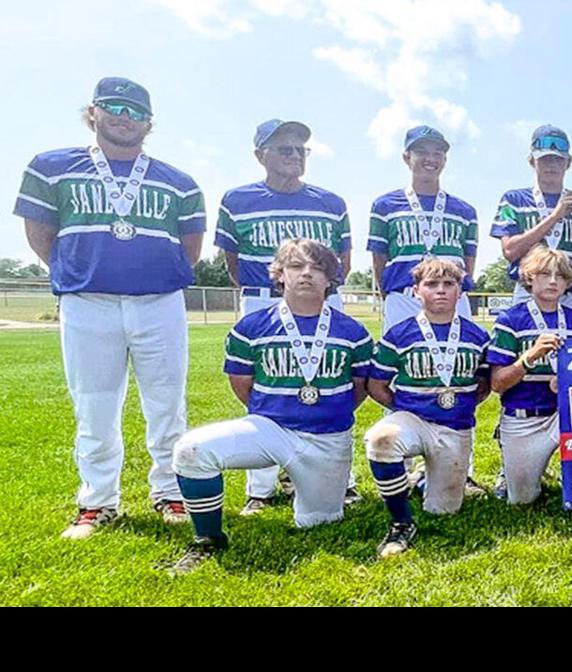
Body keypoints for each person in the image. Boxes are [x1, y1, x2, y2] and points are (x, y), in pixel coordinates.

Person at [15, 77, 206, 539]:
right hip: (88, 301)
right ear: (93, 111)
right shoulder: (51, 167)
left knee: (167, 403)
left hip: (159, 301)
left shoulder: (178, 182)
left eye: (136, 112)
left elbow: (191, 248)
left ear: (150, 123)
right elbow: (41, 233)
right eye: (114, 107)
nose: (125, 117)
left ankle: (170, 490)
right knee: (95, 406)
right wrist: (82, 271)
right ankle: (98, 501)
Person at [168, 240, 372, 573]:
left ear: (329, 279)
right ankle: (208, 537)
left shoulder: (354, 332)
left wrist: (325, 413)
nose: (306, 273)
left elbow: (359, 387)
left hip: (327, 438)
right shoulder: (250, 327)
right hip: (271, 428)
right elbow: (241, 382)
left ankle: (306, 489)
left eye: (317, 268)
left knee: (318, 522)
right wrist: (271, 412)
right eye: (296, 266)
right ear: (280, 275)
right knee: (191, 451)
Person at [215, 118, 353, 511]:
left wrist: (325, 288)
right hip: (263, 298)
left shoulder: (330, 202)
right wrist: (269, 289)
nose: (294, 156)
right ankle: (261, 488)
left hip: (324, 301)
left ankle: (338, 477)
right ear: (261, 155)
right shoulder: (237, 200)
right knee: (264, 384)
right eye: (284, 149)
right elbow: (232, 260)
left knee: (331, 380)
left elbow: (341, 258)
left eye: (300, 150)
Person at [363, 259, 491, 557]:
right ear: (416, 291)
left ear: (460, 292)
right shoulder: (399, 334)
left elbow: (484, 384)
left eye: (449, 284)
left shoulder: (478, 337)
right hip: (413, 418)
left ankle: (421, 480)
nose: (441, 291)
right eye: (432, 284)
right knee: (382, 440)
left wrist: (461, 405)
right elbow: (376, 384)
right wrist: (402, 409)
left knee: (443, 510)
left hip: (454, 427)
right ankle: (401, 522)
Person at [486, 248, 572, 504]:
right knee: (522, 500)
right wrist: (529, 358)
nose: (553, 281)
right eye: (544, 274)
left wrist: (568, 381)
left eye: (560, 276)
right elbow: (497, 384)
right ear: (529, 278)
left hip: (565, 416)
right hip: (525, 418)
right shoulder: (511, 319)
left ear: (568, 283)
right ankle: (525, 471)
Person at [369, 125, 479, 330]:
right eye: (421, 152)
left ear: (444, 160)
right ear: (406, 157)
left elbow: (469, 260)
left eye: (437, 153)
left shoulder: (465, 211)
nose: (430, 159)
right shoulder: (384, 205)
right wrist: (389, 294)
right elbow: (379, 259)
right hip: (403, 299)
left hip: (452, 299)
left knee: (458, 359)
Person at [491, 125, 572, 315]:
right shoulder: (513, 199)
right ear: (532, 161)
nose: (551, 165)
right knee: (526, 344)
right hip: (528, 291)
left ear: (568, 163)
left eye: (558, 160)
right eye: (545, 159)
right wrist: (554, 217)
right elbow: (510, 251)